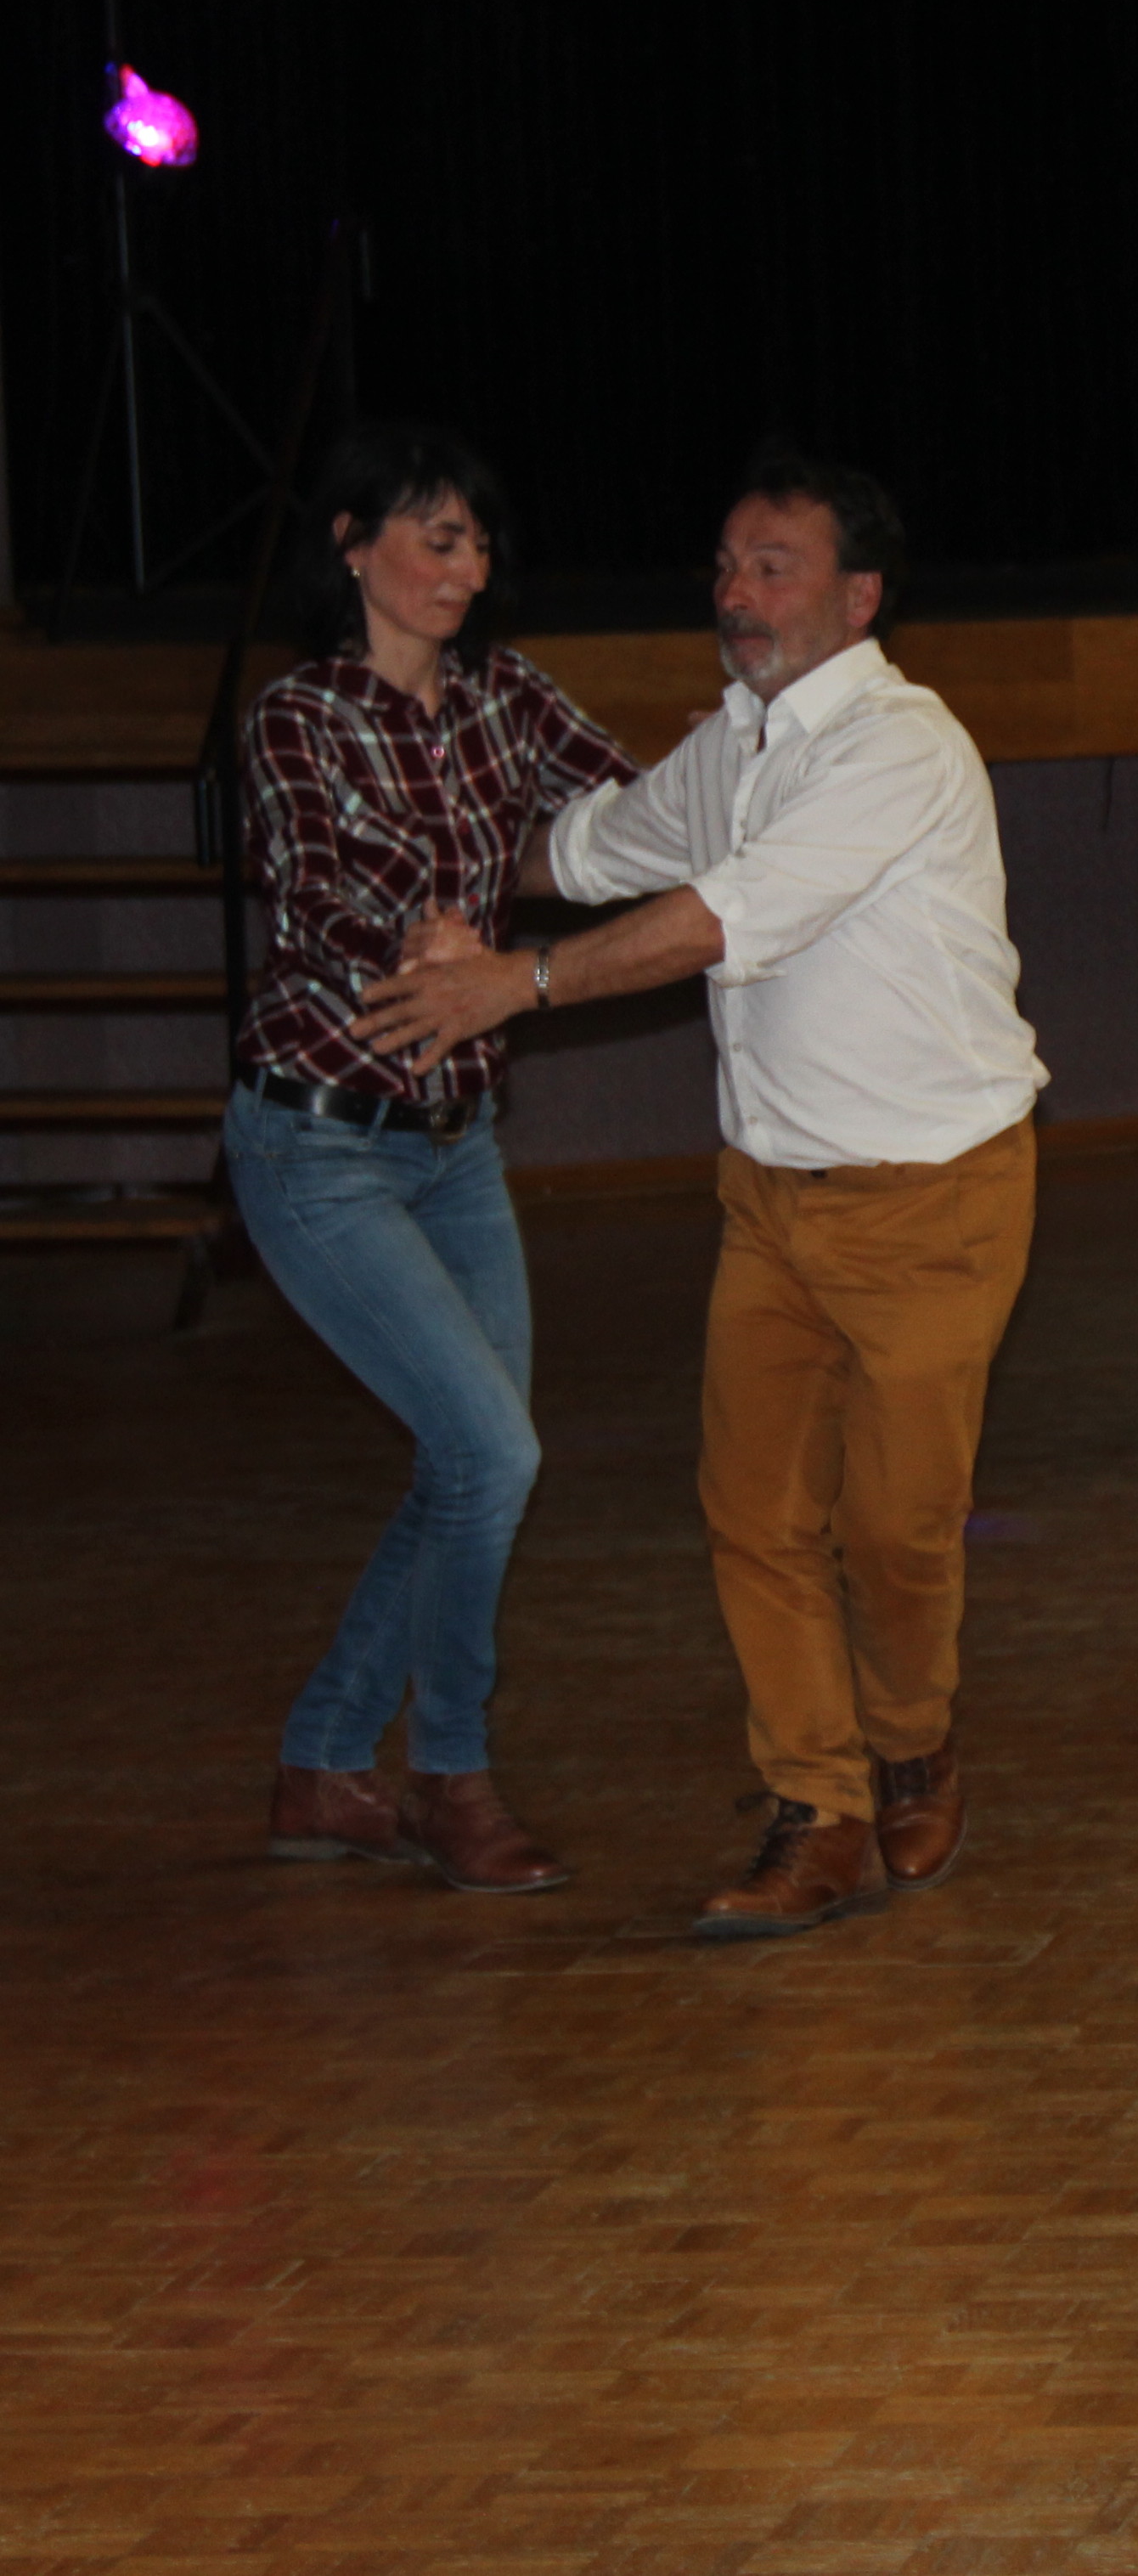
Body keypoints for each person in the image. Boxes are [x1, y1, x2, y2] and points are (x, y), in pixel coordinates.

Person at [352, 451, 1046, 1942]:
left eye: (773, 567)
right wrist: (447, 882)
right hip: (770, 1202)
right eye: (726, 567)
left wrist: (512, 985)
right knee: (753, 1511)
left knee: (898, 1531)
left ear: (858, 597)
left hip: (932, 1199)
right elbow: (594, 849)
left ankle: (912, 1740)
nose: (737, 593)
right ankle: (819, 1807)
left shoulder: (900, 747)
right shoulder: (733, 743)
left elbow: (721, 918)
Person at [234, 421, 635, 1894]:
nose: (464, 568)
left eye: (476, 542)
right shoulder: (297, 715)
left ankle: (324, 1760)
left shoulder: (503, 696)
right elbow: (311, 894)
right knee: (490, 1453)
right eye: (434, 537)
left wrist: (751, 785)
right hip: (318, 1144)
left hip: (457, 1147)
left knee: (475, 1463)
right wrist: (427, 945)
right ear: (353, 546)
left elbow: (628, 806)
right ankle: (451, 1777)